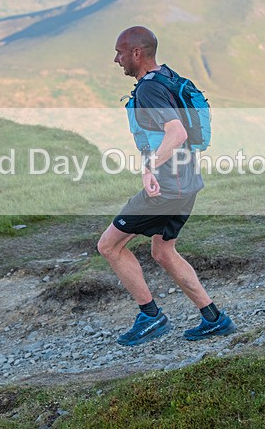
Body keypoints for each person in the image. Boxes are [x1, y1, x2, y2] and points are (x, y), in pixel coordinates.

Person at [97, 26, 237, 346]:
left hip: (167, 186)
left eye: (120, 52)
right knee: (163, 250)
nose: (116, 59)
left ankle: (151, 317)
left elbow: (176, 133)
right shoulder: (168, 76)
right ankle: (214, 319)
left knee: (109, 246)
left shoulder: (148, 90)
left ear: (137, 53)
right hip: (188, 182)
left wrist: (149, 167)